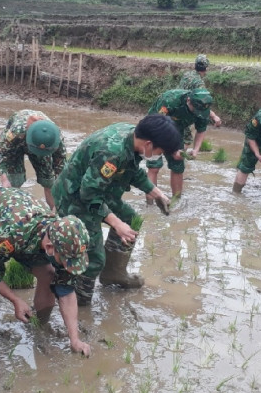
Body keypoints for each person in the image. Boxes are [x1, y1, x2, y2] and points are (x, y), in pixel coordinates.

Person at [52, 114, 181, 306]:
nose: (158, 156)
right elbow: (89, 195)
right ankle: (80, 302)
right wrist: (115, 223)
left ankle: (113, 273)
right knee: (94, 257)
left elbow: (131, 170)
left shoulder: (132, 135)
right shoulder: (111, 152)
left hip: (99, 190)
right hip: (74, 197)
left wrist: (156, 193)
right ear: (148, 144)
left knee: (130, 219)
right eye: (160, 152)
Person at [0, 187, 91, 355]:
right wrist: (15, 300)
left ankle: (39, 327)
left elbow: (66, 291)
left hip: (24, 225)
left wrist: (75, 340)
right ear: (50, 248)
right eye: (67, 261)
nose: (69, 265)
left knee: (48, 275)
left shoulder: (66, 239)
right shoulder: (10, 235)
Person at [146, 87, 222, 198]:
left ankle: (176, 200)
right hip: (155, 127)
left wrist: (196, 150)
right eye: (195, 110)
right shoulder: (170, 101)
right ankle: (150, 203)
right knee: (154, 166)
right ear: (188, 100)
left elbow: (201, 130)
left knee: (178, 165)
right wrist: (173, 150)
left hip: (177, 129)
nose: (197, 113)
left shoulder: (201, 109)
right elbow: (158, 126)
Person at [0, 110, 66, 210]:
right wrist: (4, 178)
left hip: (42, 144)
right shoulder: (16, 132)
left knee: (50, 181)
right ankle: (13, 210)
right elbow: (2, 153)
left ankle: (54, 211)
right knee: (13, 181)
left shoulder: (55, 137)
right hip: (18, 144)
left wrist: (59, 191)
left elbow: (60, 164)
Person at [178, 54, 222, 147]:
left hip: (177, 106)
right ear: (206, 68)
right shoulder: (199, 83)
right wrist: (214, 116)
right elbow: (202, 104)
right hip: (186, 111)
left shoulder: (187, 74)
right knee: (186, 140)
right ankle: (180, 155)